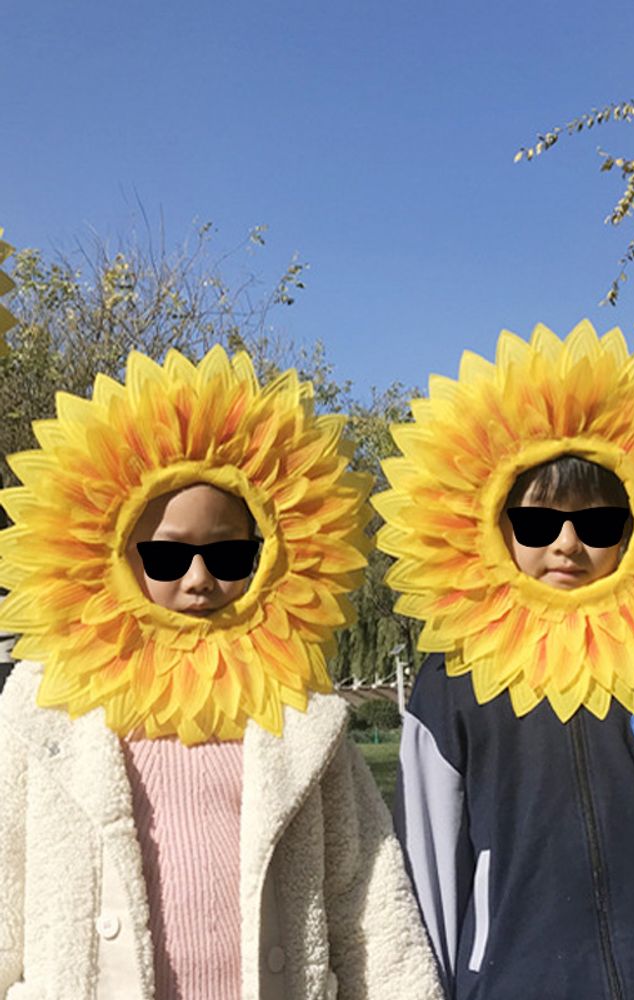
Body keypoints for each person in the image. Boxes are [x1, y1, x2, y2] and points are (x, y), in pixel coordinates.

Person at [0, 348, 443, 1000]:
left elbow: (367, 901)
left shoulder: (297, 710)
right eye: (167, 556)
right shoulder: (47, 707)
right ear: (117, 551)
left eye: (229, 554)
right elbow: (8, 887)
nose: (200, 579)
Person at [376, 322, 634, 999]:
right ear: (495, 524)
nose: (568, 545)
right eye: (539, 525)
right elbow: (425, 872)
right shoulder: (453, 679)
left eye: (597, 524)